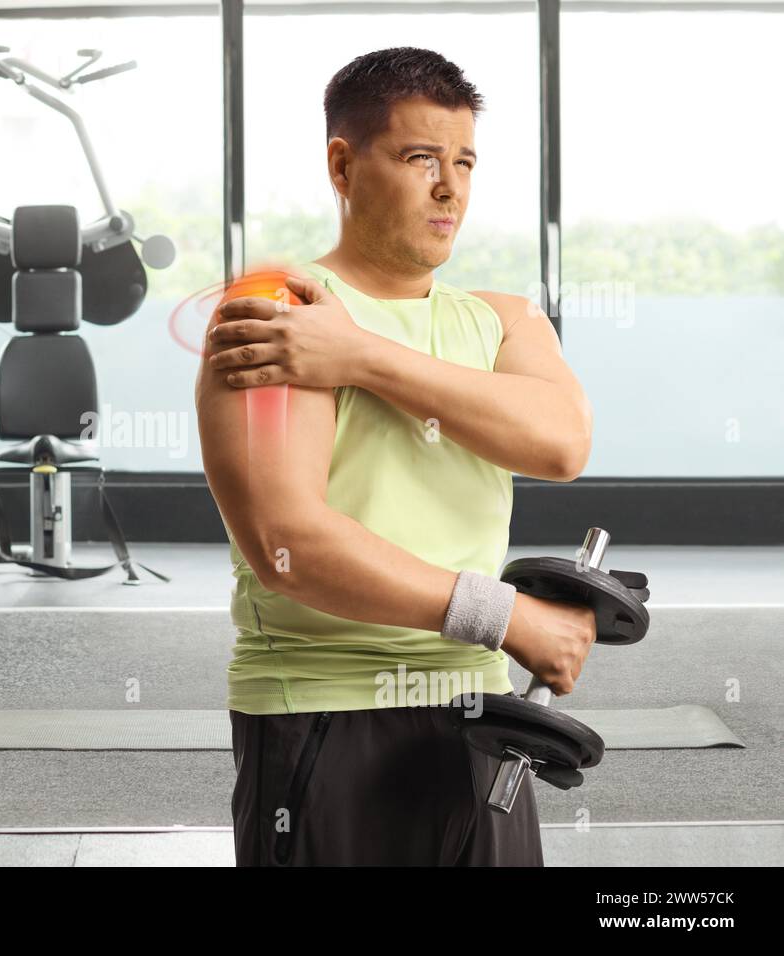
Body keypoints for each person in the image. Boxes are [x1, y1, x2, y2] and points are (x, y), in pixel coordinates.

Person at [195, 47, 597, 866]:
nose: (450, 187)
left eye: (465, 161)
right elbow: (289, 547)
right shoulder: (277, 311)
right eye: (420, 159)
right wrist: (509, 615)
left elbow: (560, 443)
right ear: (343, 165)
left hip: (483, 719)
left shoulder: (505, 320)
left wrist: (363, 358)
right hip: (325, 713)